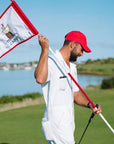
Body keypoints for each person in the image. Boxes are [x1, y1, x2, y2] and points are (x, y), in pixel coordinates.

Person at [34, 31, 102, 144]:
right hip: (56, 126)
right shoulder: (51, 61)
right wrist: (44, 49)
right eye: (82, 49)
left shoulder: (72, 68)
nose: (82, 54)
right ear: (72, 45)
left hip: (68, 125)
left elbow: (75, 94)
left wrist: (90, 104)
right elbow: (40, 79)